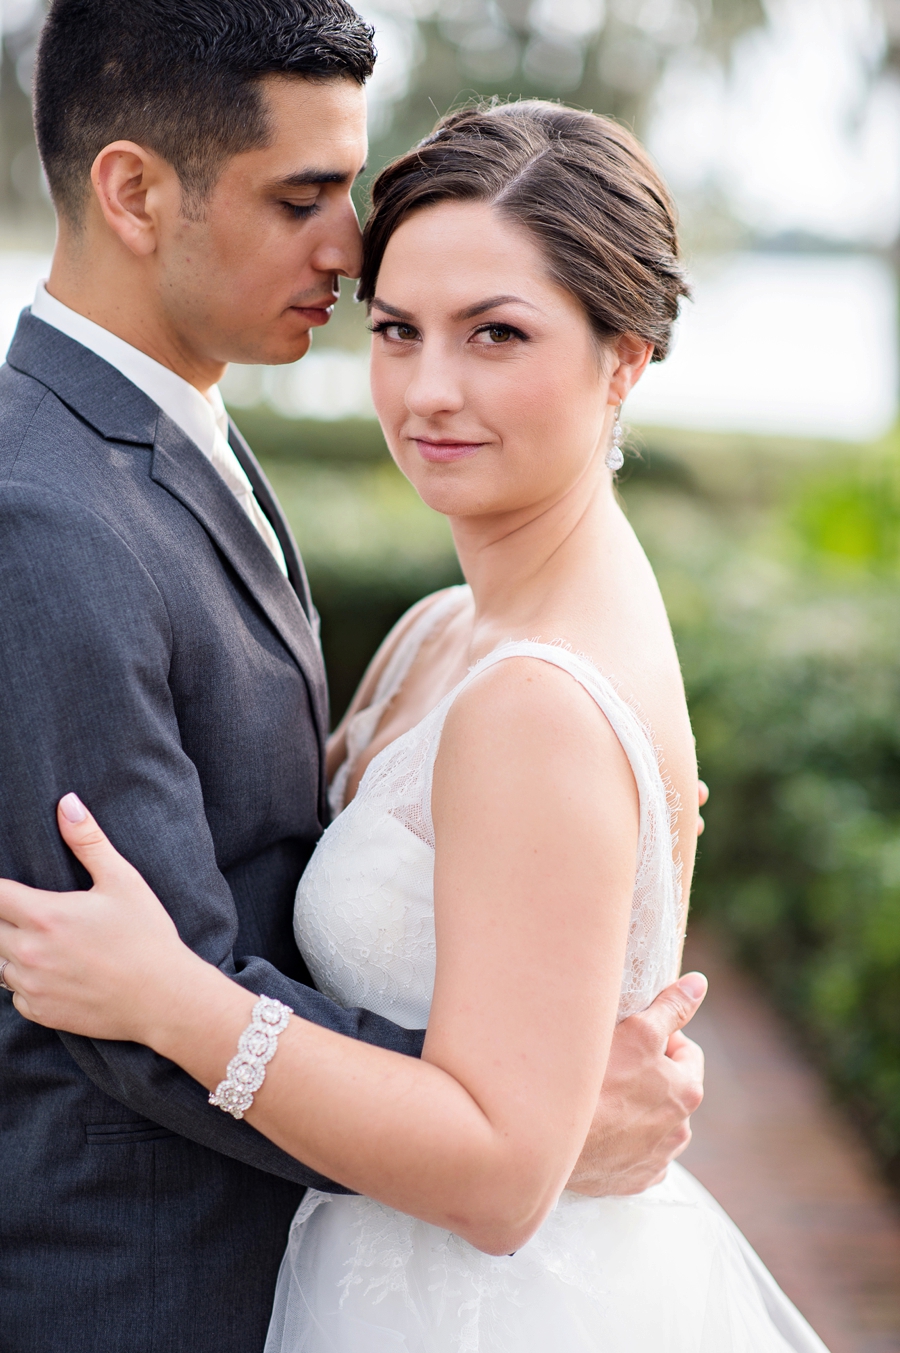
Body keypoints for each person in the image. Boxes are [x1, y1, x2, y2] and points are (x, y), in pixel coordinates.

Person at [0, 100, 827, 1352]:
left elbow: (500, 1176)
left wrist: (175, 1001)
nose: (430, 391)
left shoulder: (533, 701)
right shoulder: (446, 629)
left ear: (627, 355)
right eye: (398, 330)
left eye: (497, 334)